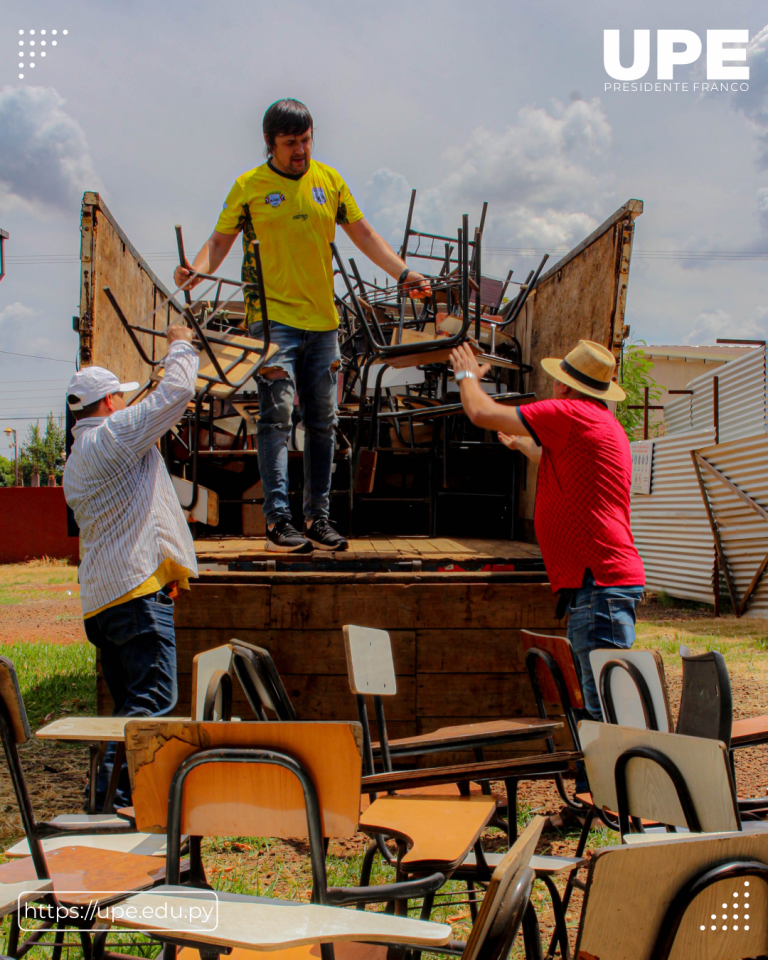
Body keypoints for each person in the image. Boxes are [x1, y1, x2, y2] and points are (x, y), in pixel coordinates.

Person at [174, 98, 430, 554]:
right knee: (276, 416)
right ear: (270, 144)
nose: (301, 151)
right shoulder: (248, 187)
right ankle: (278, 521)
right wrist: (196, 268)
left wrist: (404, 273)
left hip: (323, 324)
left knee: (323, 423)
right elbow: (218, 241)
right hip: (272, 323)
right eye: (291, 143)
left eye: (307, 140)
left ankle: (317, 518)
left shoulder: (329, 181)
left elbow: (365, 234)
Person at [450, 338, 645, 723]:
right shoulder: (601, 422)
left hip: (598, 584)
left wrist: (466, 374)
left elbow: (480, 411)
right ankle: (602, 781)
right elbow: (555, 457)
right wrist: (523, 444)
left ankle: (610, 781)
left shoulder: (570, 413)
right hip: (600, 583)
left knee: (604, 710)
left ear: (565, 386)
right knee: (601, 703)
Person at [62, 325, 199, 809]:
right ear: (107, 404)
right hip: (135, 596)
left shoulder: (78, 457)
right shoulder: (115, 437)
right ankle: (106, 802)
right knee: (151, 707)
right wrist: (181, 343)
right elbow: (179, 391)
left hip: (105, 601)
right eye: (116, 398)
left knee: (129, 709)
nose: (122, 403)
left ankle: (116, 801)